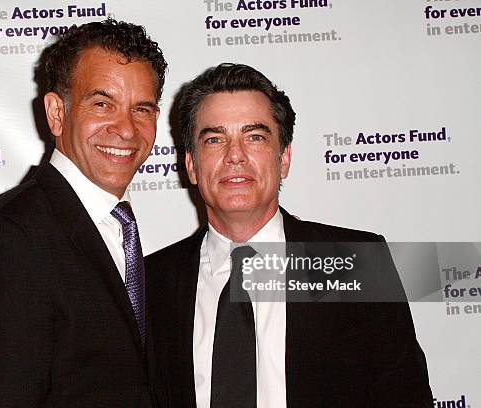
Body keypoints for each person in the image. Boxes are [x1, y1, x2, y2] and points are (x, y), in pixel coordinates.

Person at [145, 63, 433, 407]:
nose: (234, 155)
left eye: (254, 137)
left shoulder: (357, 264)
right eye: (214, 139)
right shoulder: (151, 282)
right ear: (191, 165)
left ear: (284, 159)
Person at [0, 19, 166, 407]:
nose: (127, 129)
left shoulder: (115, 228)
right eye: (102, 104)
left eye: (142, 109)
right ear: (56, 113)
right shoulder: (9, 237)